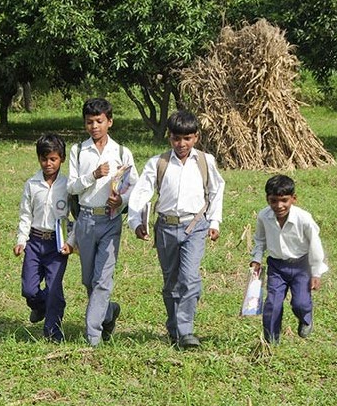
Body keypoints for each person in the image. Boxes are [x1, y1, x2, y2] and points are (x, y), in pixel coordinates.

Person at [128, 110, 225, 349]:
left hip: (196, 226)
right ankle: (174, 329)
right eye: (176, 139)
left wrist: (214, 222)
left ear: (196, 137)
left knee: (190, 279)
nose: (181, 144)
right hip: (166, 228)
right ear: (169, 137)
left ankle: (186, 331)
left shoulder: (205, 161)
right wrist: (135, 221)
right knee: (171, 281)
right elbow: (141, 192)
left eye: (187, 139)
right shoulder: (158, 163)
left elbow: (215, 190)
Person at [67, 97, 138, 346]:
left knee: (102, 280)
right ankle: (109, 312)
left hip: (110, 221)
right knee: (89, 280)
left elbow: (133, 186)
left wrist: (121, 201)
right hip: (85, 220)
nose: (94, 126)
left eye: (99, 121)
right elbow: (71, 186)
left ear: (110, 121)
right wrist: (93, 175)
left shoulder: (121, 152)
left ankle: (93, 335)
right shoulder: (78, 151)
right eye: (89, 122)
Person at [249, 174, 328, 344]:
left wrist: (316, 273)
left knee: (300, 303)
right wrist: (256, 259)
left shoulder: (304, 219)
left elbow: (315, 245)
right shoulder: (264, 216)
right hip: (277, 266)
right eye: (273, 201)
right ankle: (271, 341)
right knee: (272, 304)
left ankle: (305, 317)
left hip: (301, 266)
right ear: (267, 199)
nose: (279, 205)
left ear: (294, 199)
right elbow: (260, 240)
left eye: (284, 200)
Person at [13, 134, 73, 343]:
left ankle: (53, 332)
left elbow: (75, 216)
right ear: (39, 158)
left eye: (53, 159)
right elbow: (25, 214)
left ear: (62, 159)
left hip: (57, 244)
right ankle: (40, 305)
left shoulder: (68, 186)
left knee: (54, 287)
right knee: (29, 289)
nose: (48, 164)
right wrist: (21, 240)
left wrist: (71, 241)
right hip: (35, 242)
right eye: (44, 158)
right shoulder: (32, 184)